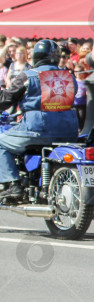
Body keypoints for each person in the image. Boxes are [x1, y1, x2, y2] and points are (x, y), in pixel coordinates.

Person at [0, 40, 79, 203]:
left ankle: (12, 184)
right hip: (68, 131)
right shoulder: (69, 77)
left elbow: (6, 100)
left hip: (37, 129)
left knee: (1, 144)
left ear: (36, 56)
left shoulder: (28, 76)